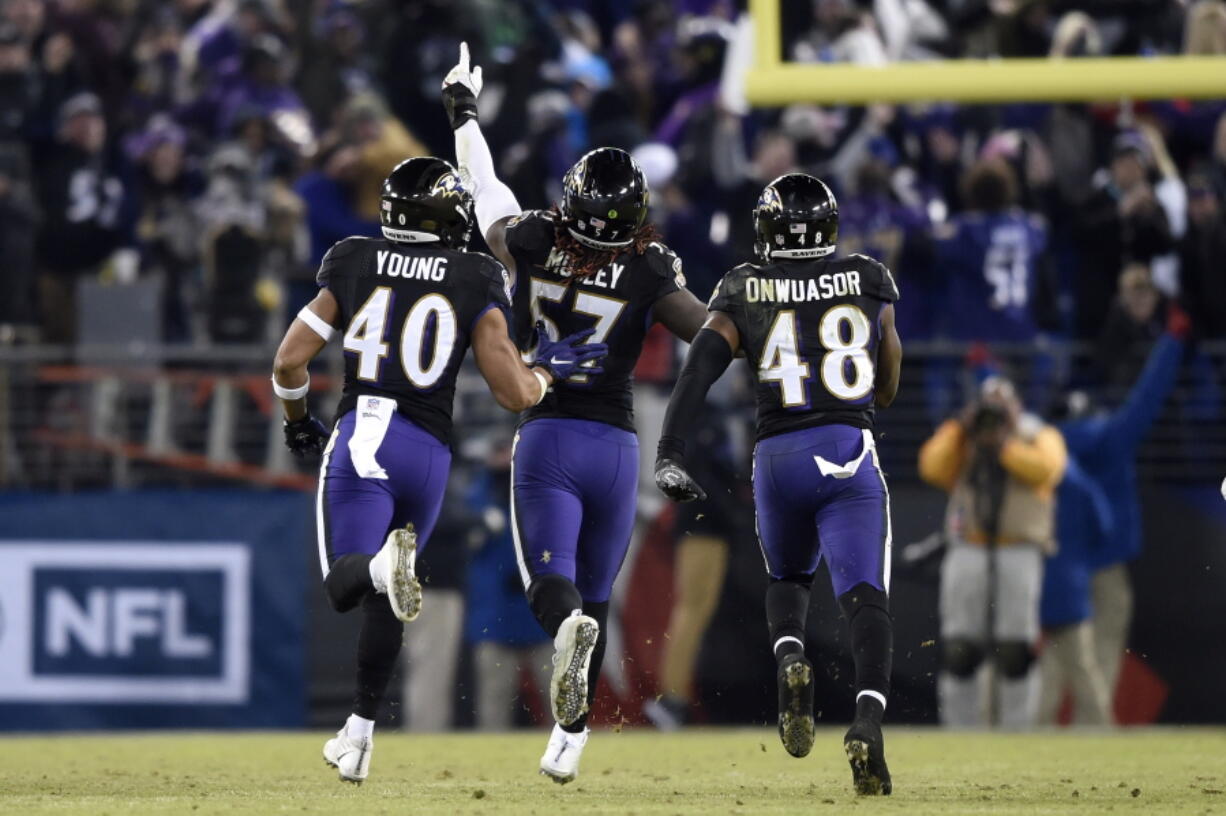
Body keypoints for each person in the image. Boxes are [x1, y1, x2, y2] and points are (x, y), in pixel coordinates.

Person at [269, 156, 607, 785]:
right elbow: (514, 391)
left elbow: (290, 361)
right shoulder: (476, 273)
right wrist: (551, 367)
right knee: (385, 605)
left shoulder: (353, 259)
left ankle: (378, 564)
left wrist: (295, 419)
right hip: (429, 454)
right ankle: (359, 737)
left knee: (350, 582)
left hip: (367, 432)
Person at [441, 43, 709, 784]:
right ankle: (569, 742)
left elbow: (484, 186)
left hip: (548, 434)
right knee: (593, 596)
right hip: (617, 443)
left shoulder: (530, 241)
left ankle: (568, 685)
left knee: (553, 597)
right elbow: (712, 334)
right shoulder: (652, 268)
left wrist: (463, 110)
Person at [655, 173, 902, 796]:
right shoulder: (869, 277)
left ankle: (790, 656)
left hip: (776, 456)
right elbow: (888, 379)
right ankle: (867, 723)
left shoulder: (742, 284)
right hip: (846, 448)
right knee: (865, 598)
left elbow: (698, 370)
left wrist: (671, 449)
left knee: (786, 580)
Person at [919, 377, 1067, 730]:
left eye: (1002, 405)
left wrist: (1006, 446)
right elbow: (931, 467)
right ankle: (959, 731)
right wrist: (961, 428)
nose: (993, 414)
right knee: (960, 649)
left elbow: (1049, 470)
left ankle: (1017, 731)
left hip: (1019, 549)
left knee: (1016, 649)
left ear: (1017, 405)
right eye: (988, 404)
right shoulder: (963, 436)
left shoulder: (1037, 435)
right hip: (968, 545)